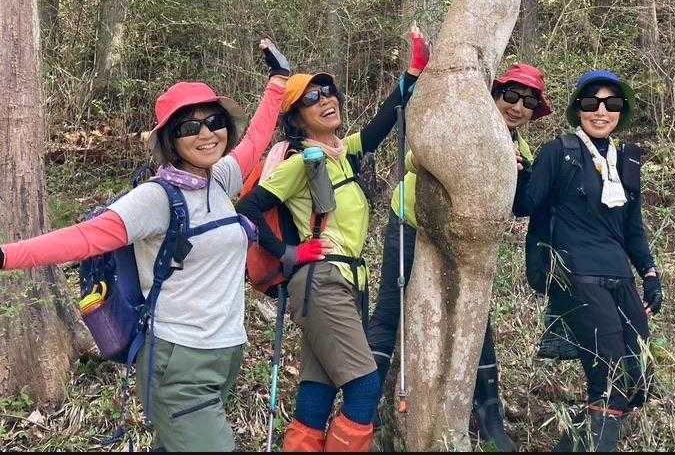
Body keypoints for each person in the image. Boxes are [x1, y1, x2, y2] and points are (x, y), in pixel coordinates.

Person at [0, 42, 292, 452]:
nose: (206, 133)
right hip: (178, 362)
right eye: (189, 127)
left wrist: (278, 82)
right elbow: (83, 238)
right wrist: (6, 255)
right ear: (170, 140)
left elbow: (256, 140)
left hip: (225, 353)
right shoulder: (157, 199)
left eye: (214, 121)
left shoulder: (220, 179)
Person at [236, 28, 429, 452]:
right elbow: (247, 210)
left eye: (329, 91)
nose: (326, 99)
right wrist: (288, 252)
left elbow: (384, 121)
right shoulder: (300, 161)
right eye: (312, 97)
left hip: (346, 283)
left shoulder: (344, 153)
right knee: (365, 387)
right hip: (323, 281)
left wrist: (413, 73)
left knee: (318, 389)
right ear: (295, 118)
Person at [366, 63, 552, 452]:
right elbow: (418, 158)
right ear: (494, 95)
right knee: (389, 313)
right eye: (511, 96)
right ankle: (361, 413)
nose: (517, 107)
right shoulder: (465, 121)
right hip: (413, 222)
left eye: (528, 102)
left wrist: (518, 172)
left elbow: (520, 206)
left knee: (475, 318)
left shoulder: (520, 148)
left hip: (467, 244)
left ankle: (491, 419)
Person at [513, 70, 664, 452]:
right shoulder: (558, 152)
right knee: (609, 379)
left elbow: (633, 227)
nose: (601, 111)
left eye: (611, 104)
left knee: (638, 379)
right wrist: (516, 170)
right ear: (577, 109)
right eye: (590, 102)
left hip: (620, 277)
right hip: (578, 275)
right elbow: (524, 204)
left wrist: (649, 273)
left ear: (621, 112)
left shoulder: (627, 160)